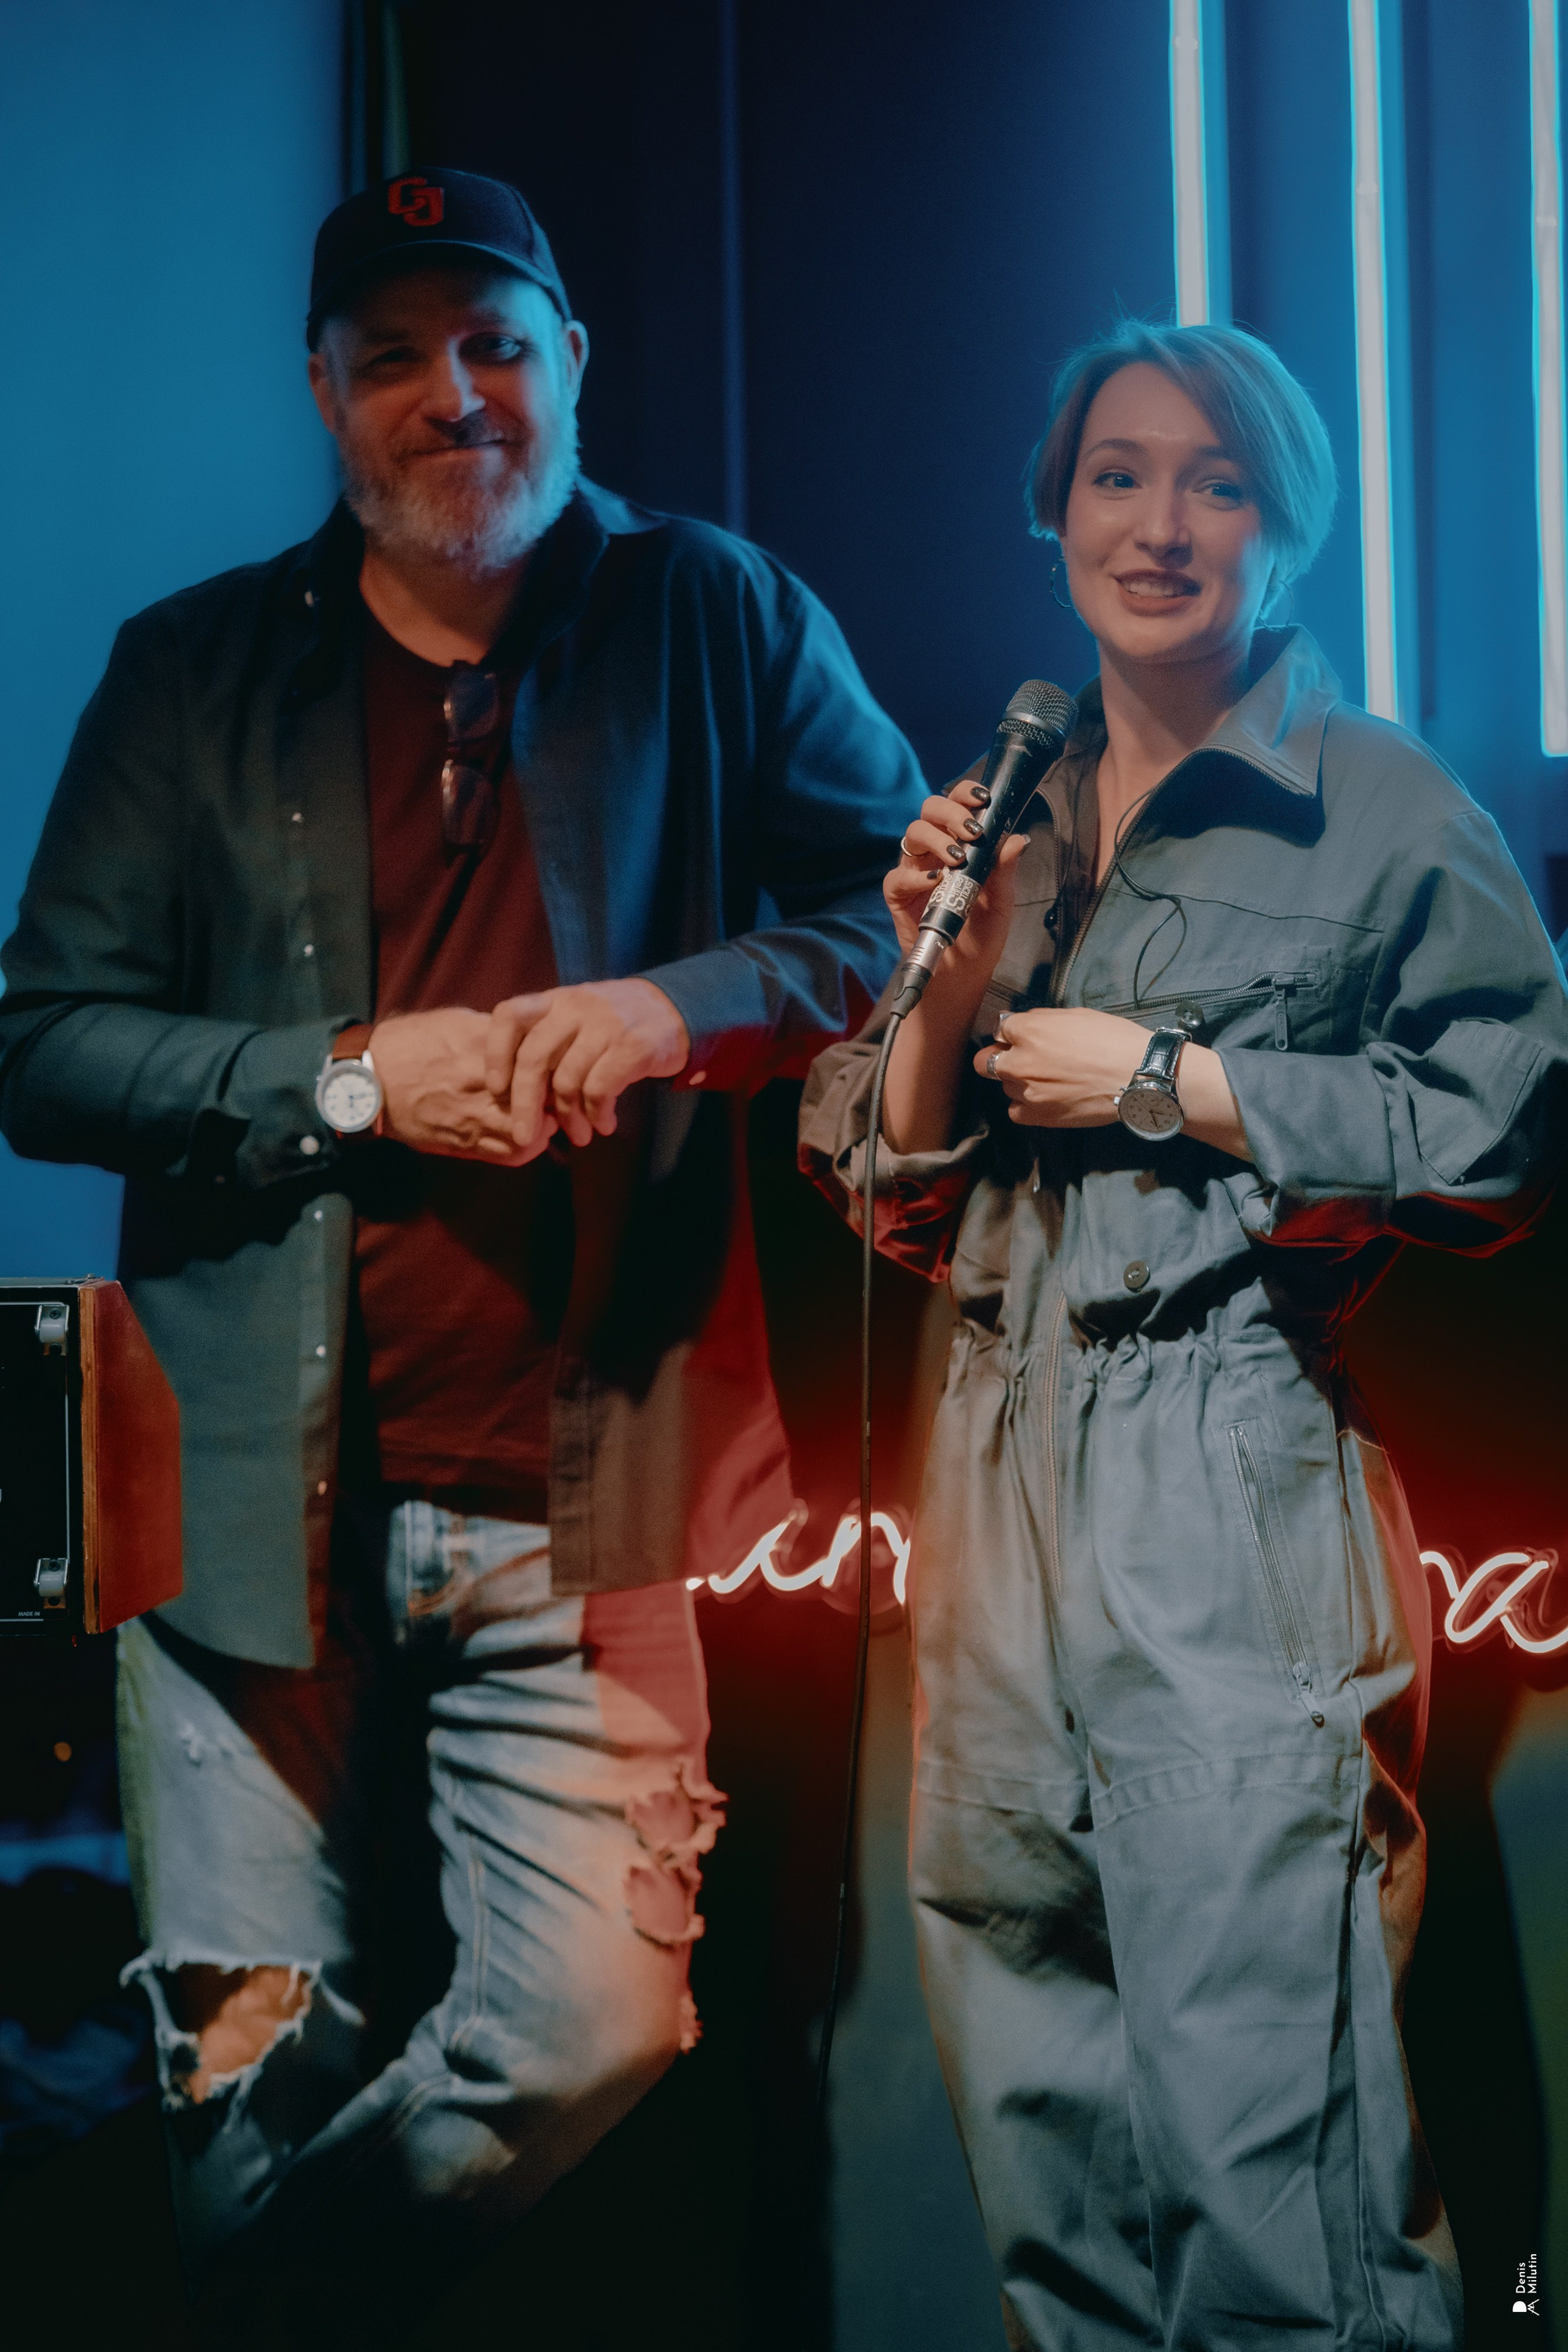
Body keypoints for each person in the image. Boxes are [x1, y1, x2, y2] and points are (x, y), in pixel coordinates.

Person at [0, 167, 920, 2342]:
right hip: (239, 1524)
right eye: (396, 355)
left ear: (570, 362)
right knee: (248, 2073)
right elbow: (40, 1043)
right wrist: (349, 1080)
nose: (456, 395)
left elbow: (904, 917)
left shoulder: (716, 610)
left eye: (497, 344)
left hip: (596, 1500)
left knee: (598, 2025)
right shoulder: (190, 667)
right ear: (324, 391)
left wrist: (678, 1008)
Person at [800, 319, 1568, 2351]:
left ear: (1285, 525)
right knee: (1045, 2144)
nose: (1159, 524)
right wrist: (955, 966)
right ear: (1055, 510)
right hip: (987, 1474)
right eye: (1117, 476)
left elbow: (1507, 1128)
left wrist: (1178, 1082)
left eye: (1216, 483)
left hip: (1229, 1468)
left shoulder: (1377, 799)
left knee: (1276, 2172)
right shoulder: (1013, 802)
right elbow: (882, 1179)